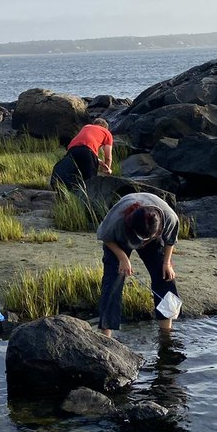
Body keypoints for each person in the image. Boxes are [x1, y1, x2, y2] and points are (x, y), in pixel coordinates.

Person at [96, 192, 180, 338]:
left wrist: (167, 263)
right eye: (140, 238)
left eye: (145, 238)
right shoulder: (118, 220)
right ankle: (106, 336)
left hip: (153, 237)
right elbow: (105, 237)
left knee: (165, 276)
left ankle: (166, 334)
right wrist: (122, 258)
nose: (142, 241)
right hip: (119, 241)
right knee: (112, 282)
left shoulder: (169, 217)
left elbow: (170, 240)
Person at [50, 118, 113, 190]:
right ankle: (87, 199)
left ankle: (67, 195)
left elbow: (82, 146)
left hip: (72, 150)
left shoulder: (86, 127)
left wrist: (100, 162)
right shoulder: (107, 133)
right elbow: (108, 156)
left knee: (72, 176)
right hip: (88, 152)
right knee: (90, 180)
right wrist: (108, 170)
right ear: (104, 127)